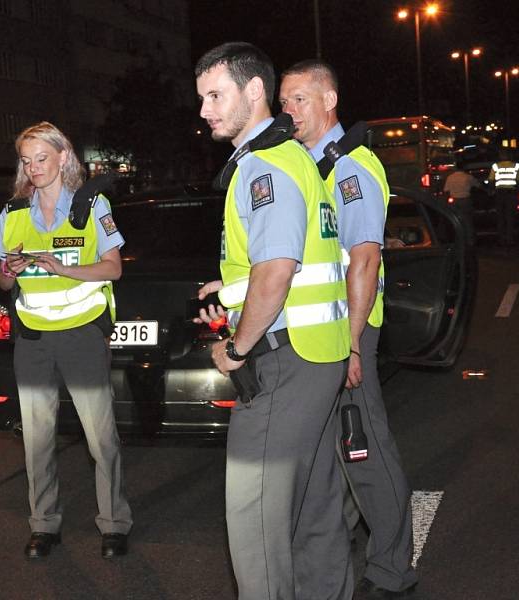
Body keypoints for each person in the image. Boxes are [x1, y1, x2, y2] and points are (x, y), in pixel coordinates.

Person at [194, 43, 352, 600]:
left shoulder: (264, 166)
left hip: (285, 363)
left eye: (216, 95)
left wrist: (236, 349)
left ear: (254, 91)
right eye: (202, 99)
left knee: (253, 513)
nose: (206, 110)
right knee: (315, 504)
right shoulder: (294, 159)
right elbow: (288, 261)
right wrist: (230, 289)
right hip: (318, 354)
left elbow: (279, 270)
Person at [279, 60, 418, 598]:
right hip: (326, 331)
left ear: (330, 99)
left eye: (300, 99)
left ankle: (392, 570)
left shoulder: (351, 169)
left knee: (364, 451)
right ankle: (341, 554)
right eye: (284, 101)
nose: (288, 110)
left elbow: (365, 261)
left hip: (349, 331)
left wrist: (352, 344)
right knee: (335, 451)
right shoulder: (310, 167)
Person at [0, 121, 132, 560]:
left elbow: (113, 268)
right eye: (27, 162)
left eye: (42, 159)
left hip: (82, 335)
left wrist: (62, 267)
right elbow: (3, 284)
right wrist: (7, 273)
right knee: (37, 439)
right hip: (33, 340)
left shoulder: (90, 205)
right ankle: (44, 525)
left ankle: (114, 524)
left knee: (100, 438)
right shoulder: (13, 214)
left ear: (63, 157)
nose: (34, 169)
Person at [487, 154, 519, 245]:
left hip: (500, 194)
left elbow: (491, 180)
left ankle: (501, 238)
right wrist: (518, 192)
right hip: (511, 194)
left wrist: (490, 191)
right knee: (510, 216)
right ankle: (509, 238)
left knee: (500, 217)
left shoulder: (496, 166)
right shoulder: (516, 166)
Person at [443, 162, 483, 245]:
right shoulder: (468, 177)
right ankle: (469, 241)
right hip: (465, 200)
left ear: (455, 168)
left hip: (454, 201)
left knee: (455, 221)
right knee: (468, 221)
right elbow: (478, 185)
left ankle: (458, 241)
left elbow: (446, 191)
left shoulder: (450, 177)